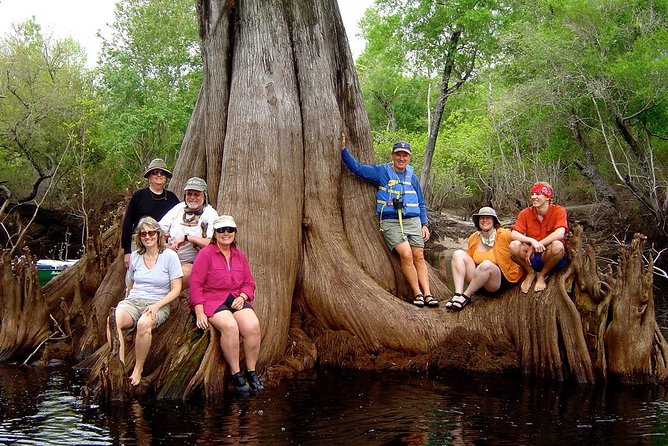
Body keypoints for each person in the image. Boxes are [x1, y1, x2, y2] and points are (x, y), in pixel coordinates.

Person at [341, 135, 437, 307]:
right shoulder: (382, 171)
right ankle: (417, 293)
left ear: (409, 157)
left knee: (419, 256)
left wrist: (424, 224)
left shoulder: (412, 177)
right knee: (406, 254)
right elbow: (358, 169)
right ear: (393, 155)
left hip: (413, 221)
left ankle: (428, 294)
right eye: (398, 154)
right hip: (391, 221)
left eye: (405, 155)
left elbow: (421, 203)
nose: (401, 158)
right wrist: (343, 150)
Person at [189, 215, 263, 394]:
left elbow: (249, 282)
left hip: (235, 297)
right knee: (230, 327)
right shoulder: (206, 254)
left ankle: (251, 372)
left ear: (235, 233)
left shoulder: (239, 255)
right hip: (212, 299)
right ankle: (236, 373)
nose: (226, 233)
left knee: (252, 326)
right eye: (221, 230)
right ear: (215, 234)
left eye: (230, 229)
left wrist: (244, 296)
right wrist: (199, 310)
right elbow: (196, 283)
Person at [115, 216, 183, 386]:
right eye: (143, 233)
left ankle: (138, 369)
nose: (147, 236)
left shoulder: (170, 256)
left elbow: (176, 289)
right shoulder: (136, 256)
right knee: (113, 321)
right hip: (134, 301)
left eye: (151, 232)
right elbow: (130, 282)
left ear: (158, 234)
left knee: (144, 324)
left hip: (157, 304)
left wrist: (157, 305)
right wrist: (127, 298)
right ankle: (120, 365)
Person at [446, 207, 522, 310]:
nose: (485, 220)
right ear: (478, 221)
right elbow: (469, 261)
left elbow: (521, 244)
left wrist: (533, 243)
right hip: (478, 281)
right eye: (482, 218)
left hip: (497, 282)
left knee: (486, 264)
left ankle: (466, 296)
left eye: (488, 218)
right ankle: (458, 293)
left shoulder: (505, 234)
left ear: (494, 220)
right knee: (458, 254)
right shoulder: (474, 237)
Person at [509, 182, 568, 293]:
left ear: (547, 197)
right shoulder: (525, 213)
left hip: (550, 256)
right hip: (531, 258)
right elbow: (513, 234)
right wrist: (531, 241)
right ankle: (530, 273)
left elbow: (560, 233)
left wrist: (538, 244)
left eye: (538, 194)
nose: (533, 197)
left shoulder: (559, 211)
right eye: (532, 194)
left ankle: (542, 275)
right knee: (513, 246)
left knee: (558, 246)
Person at [121, 158, 180, 268]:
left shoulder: (172, 198)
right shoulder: (139, 196)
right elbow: (128, 223)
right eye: (155, 172)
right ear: (149, 176)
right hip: (141, 242)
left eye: (162, 172)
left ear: (166, 177)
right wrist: (127, 251)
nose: (159, 175)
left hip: (164, 244)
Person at [159, 177, 218, 287]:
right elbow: (159, 229)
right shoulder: (179, 208)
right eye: (189, 194)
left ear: (204, 195)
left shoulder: (210, 214)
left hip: (191, 261)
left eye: (197, 194)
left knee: (185, 273)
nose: (192, 198)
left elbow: (213, 243)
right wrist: (165, 245)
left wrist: (187, 238)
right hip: (168, 255)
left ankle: (169, 297)